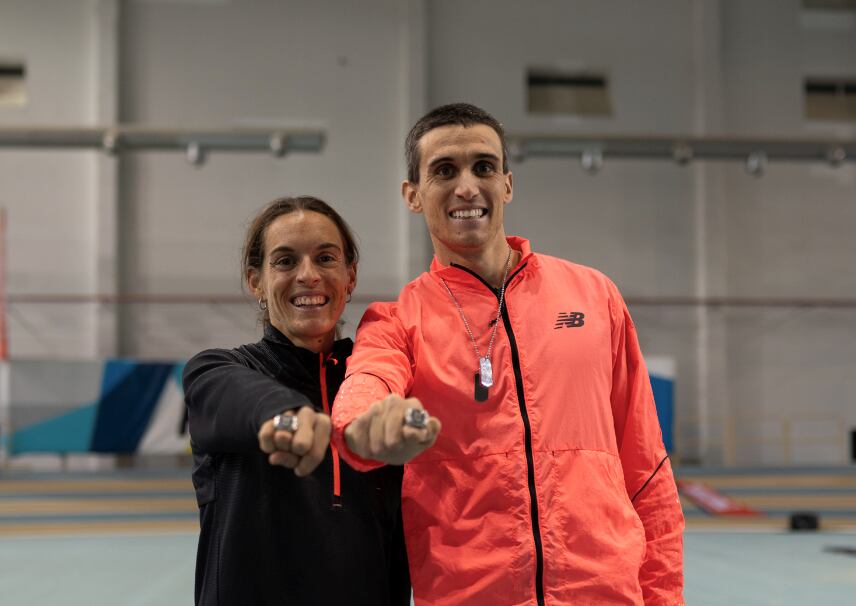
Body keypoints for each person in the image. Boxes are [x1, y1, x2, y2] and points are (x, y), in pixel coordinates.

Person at [331, 104, 684, 605]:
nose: (468, 186)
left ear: (508, 185)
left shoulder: (593, 295)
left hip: (603, 594)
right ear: (413, 195)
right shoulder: (398, 319)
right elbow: (368, 383)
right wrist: (364, 426)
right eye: (444, 170)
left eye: (484, 167)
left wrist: (664, 599)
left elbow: (647, 469)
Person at [183, 196, 410, 606]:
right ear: (256, 281)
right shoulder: (217, 371)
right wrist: (288, 415)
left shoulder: (379, 388)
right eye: (285, 261)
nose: (308, 275)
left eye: (325, 258)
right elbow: (237, 395)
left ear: (350, 275)